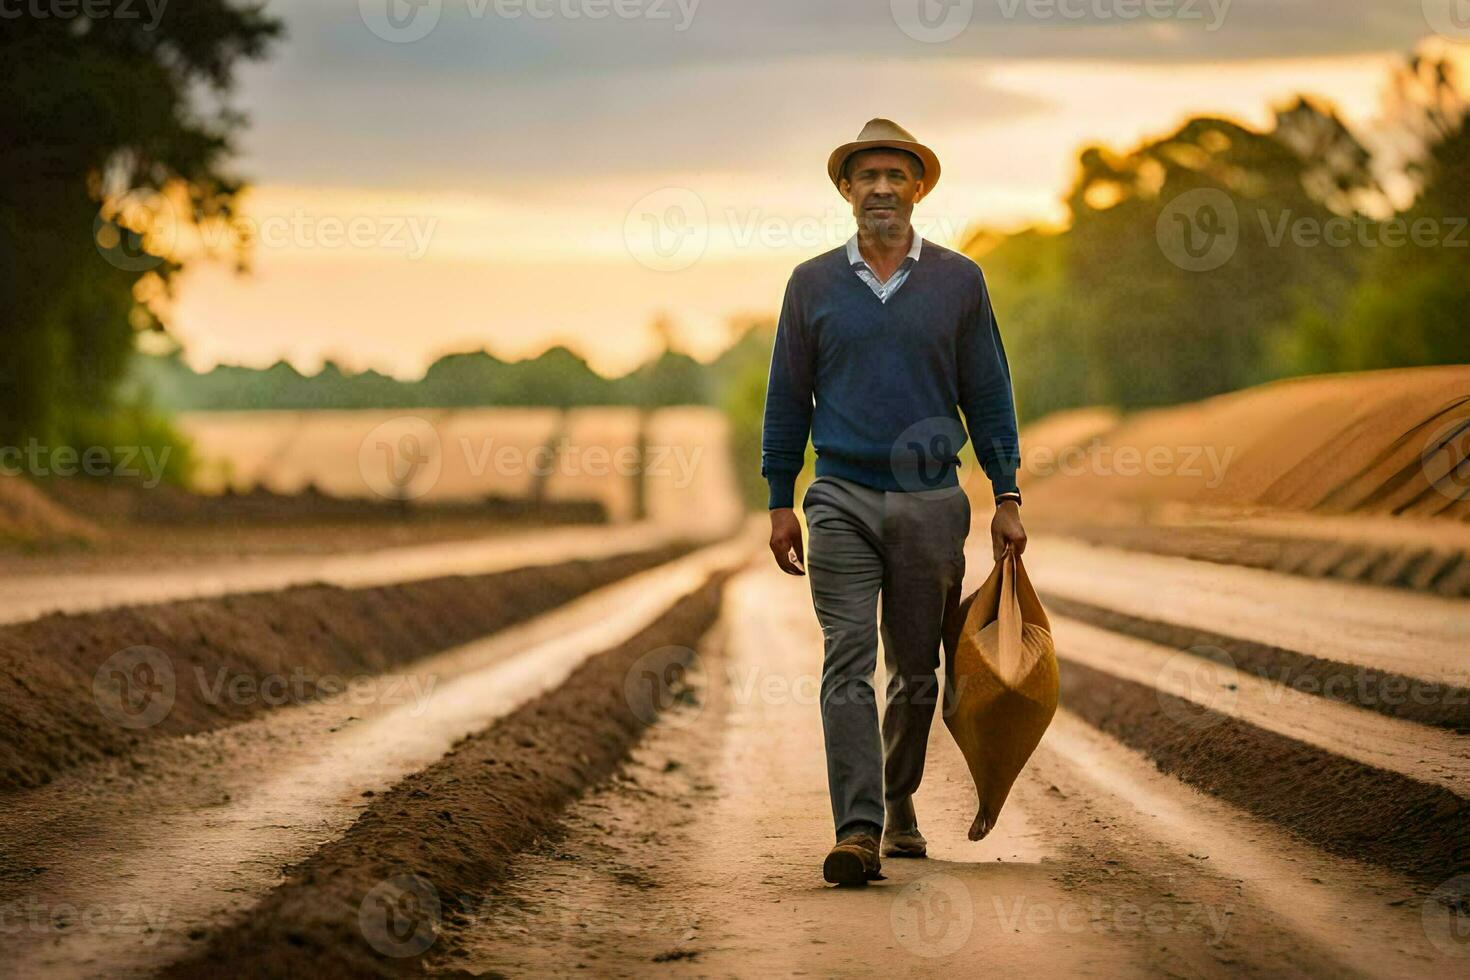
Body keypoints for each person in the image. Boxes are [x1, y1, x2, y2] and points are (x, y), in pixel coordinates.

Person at [760, 118, 1026, 886]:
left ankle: (898, 796)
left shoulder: (960, 281)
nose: (881, 187)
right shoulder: (811, 284)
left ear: (918, 189)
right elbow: (787, 398)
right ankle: (859, 828)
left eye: (896, 176)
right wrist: (783, 497)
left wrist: (1006, 492)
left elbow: (989, 394)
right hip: (838, 494)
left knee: (916, 672)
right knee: (847, 657)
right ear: (846, 190)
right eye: (867, 176)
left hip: (931, 499)